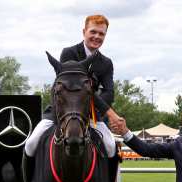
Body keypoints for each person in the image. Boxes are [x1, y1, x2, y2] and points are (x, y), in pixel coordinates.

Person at [24, 13, 121, 159]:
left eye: (101, 33)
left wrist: (91, 107)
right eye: (93, 32)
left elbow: (109, 93)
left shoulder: (106, 63)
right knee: (31, 144)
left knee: (111, 147)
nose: (97, 36)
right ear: (84, 32)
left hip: (91, 115)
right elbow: (70, 90)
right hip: (61, 111)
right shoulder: (69, 53)